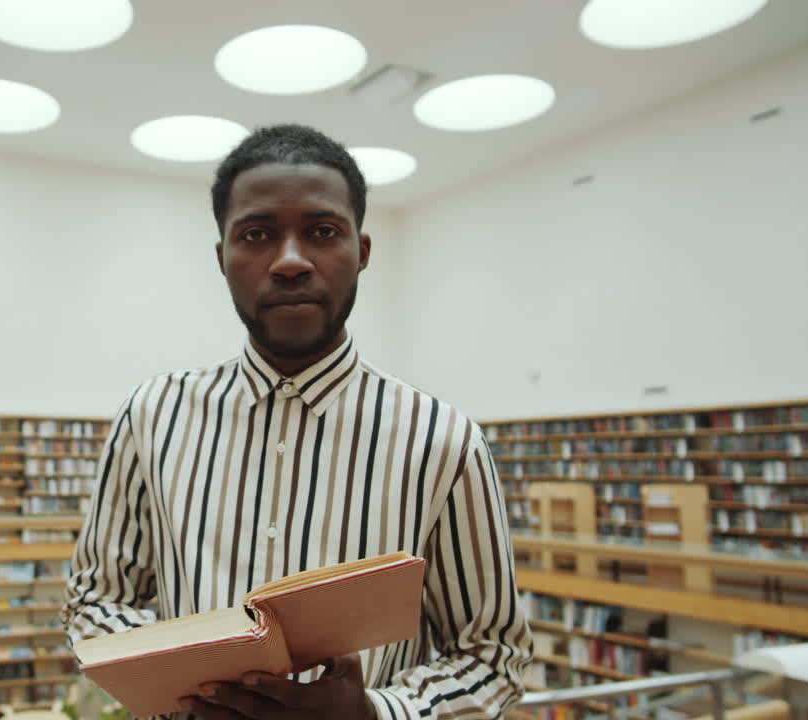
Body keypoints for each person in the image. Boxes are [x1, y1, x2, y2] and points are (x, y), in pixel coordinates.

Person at [61, 124, 531, 719]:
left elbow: (492, 654)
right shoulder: (153, 415)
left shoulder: (442, 438)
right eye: (256, 234)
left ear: (360, 251)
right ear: (222, 257)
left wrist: (373, 713)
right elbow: (98, 597)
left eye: (322, 232)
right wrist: (182, 683)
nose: (289, 261)